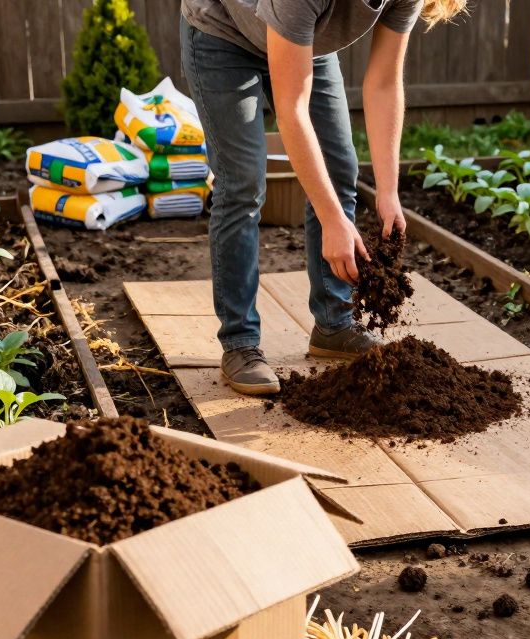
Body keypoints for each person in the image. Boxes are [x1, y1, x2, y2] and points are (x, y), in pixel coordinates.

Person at [180, 0, 467, 395]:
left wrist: (387, 191)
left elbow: (384, 82)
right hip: (223, 33)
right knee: (243, 182)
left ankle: (334, 324)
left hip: (303, 40)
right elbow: (291, 109)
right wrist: (333, 220)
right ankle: (240, 343)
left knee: (338, 167)